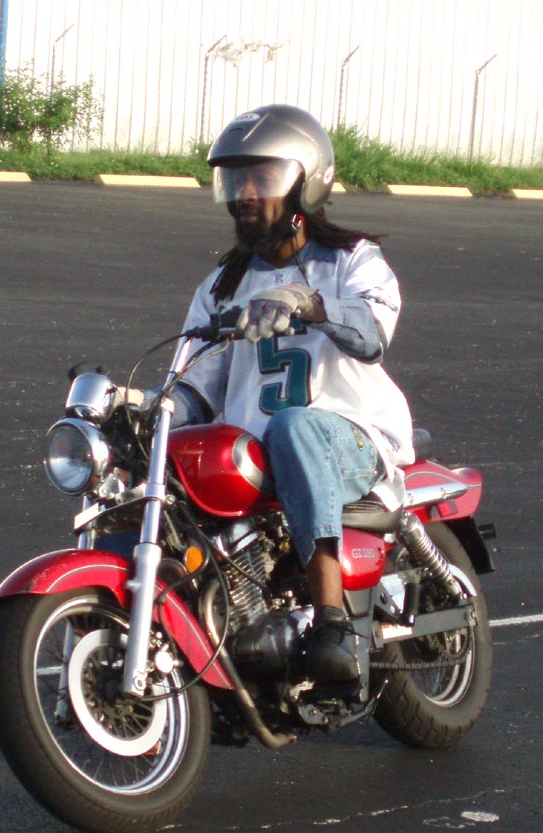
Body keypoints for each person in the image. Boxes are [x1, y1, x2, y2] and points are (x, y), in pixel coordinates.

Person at [173, 104, 414, 686]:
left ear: (306, 182)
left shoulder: (352, 261)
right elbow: (195, 385)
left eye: (261, 179)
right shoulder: (221, 286)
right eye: (235, 181)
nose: (244, 195)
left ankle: (332, 622)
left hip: (351, 435)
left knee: (294, 425)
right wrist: (148, 409)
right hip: (257, 455)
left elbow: (373, 334)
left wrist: (310, 304)